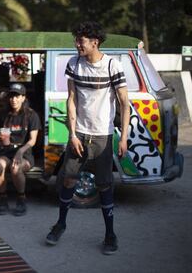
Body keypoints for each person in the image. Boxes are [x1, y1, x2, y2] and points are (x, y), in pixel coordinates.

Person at [45, 21, 130, 255]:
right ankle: (60, 224)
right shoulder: (74, 63)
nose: (77, 44)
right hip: (79, 134)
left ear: (95, 42)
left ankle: (110, 234)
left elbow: (125, 104)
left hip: (103, 135)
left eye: (81, 40)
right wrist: (72, 134)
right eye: (77, 39)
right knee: (68, 180)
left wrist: (123, 138)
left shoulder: (113, 65)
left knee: (104, 185)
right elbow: (70, 99)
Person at [0, 83, 41, 216]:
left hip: (24, 153)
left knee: (16, 168)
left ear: (23, 98)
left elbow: (33, 140)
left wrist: (20, 152)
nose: (13, 99)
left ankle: (21, 198)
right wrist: (1, 139)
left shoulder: (31, 115)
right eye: (11, 96)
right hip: (7, 151)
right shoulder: (5, 115)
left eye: (17, 96)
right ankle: (3, 198)